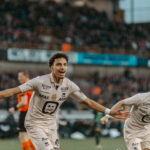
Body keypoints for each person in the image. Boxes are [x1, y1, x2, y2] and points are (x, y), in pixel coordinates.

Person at [0, 52, 129, 150]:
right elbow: (12, 91)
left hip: (51, 125)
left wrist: (109, 111)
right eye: (59, 64)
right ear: (51, 67)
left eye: (65, 64)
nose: (62, 67)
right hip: (35, 124)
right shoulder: (39, 81)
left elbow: (88, 102)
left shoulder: (70, 85)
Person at [9, 72, 36, 150]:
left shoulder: (24, 87)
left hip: (25, 112)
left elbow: (24, 102)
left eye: (21, 76)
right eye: (18, 77)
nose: (19, 78)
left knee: (22, 135)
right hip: (32, 113)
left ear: (26, 76)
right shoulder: (33, 86)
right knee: (28, 136)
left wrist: (14, 108)